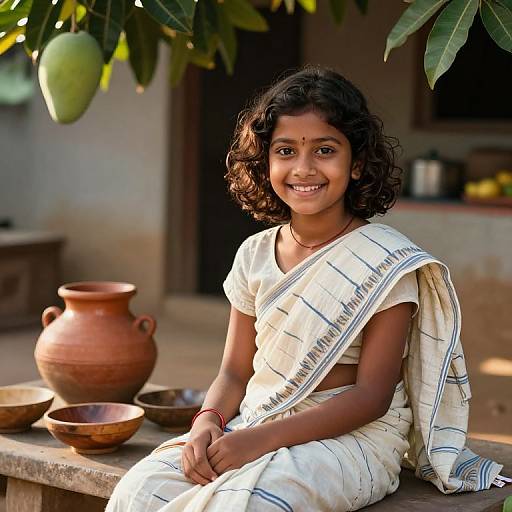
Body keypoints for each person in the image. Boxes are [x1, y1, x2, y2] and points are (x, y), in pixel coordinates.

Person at [106, 66, 503, 511]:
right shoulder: (254, 255)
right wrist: (207, 423)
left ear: (356, 164)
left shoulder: (385, 261)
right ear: (266, 161)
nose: (303, 168)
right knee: (138, 491)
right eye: (286, 150)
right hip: (257, 419)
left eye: (325, 150)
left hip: (353, 440)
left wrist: (258, 441)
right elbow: (235, 373)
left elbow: (370, 397)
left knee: (252, 504)